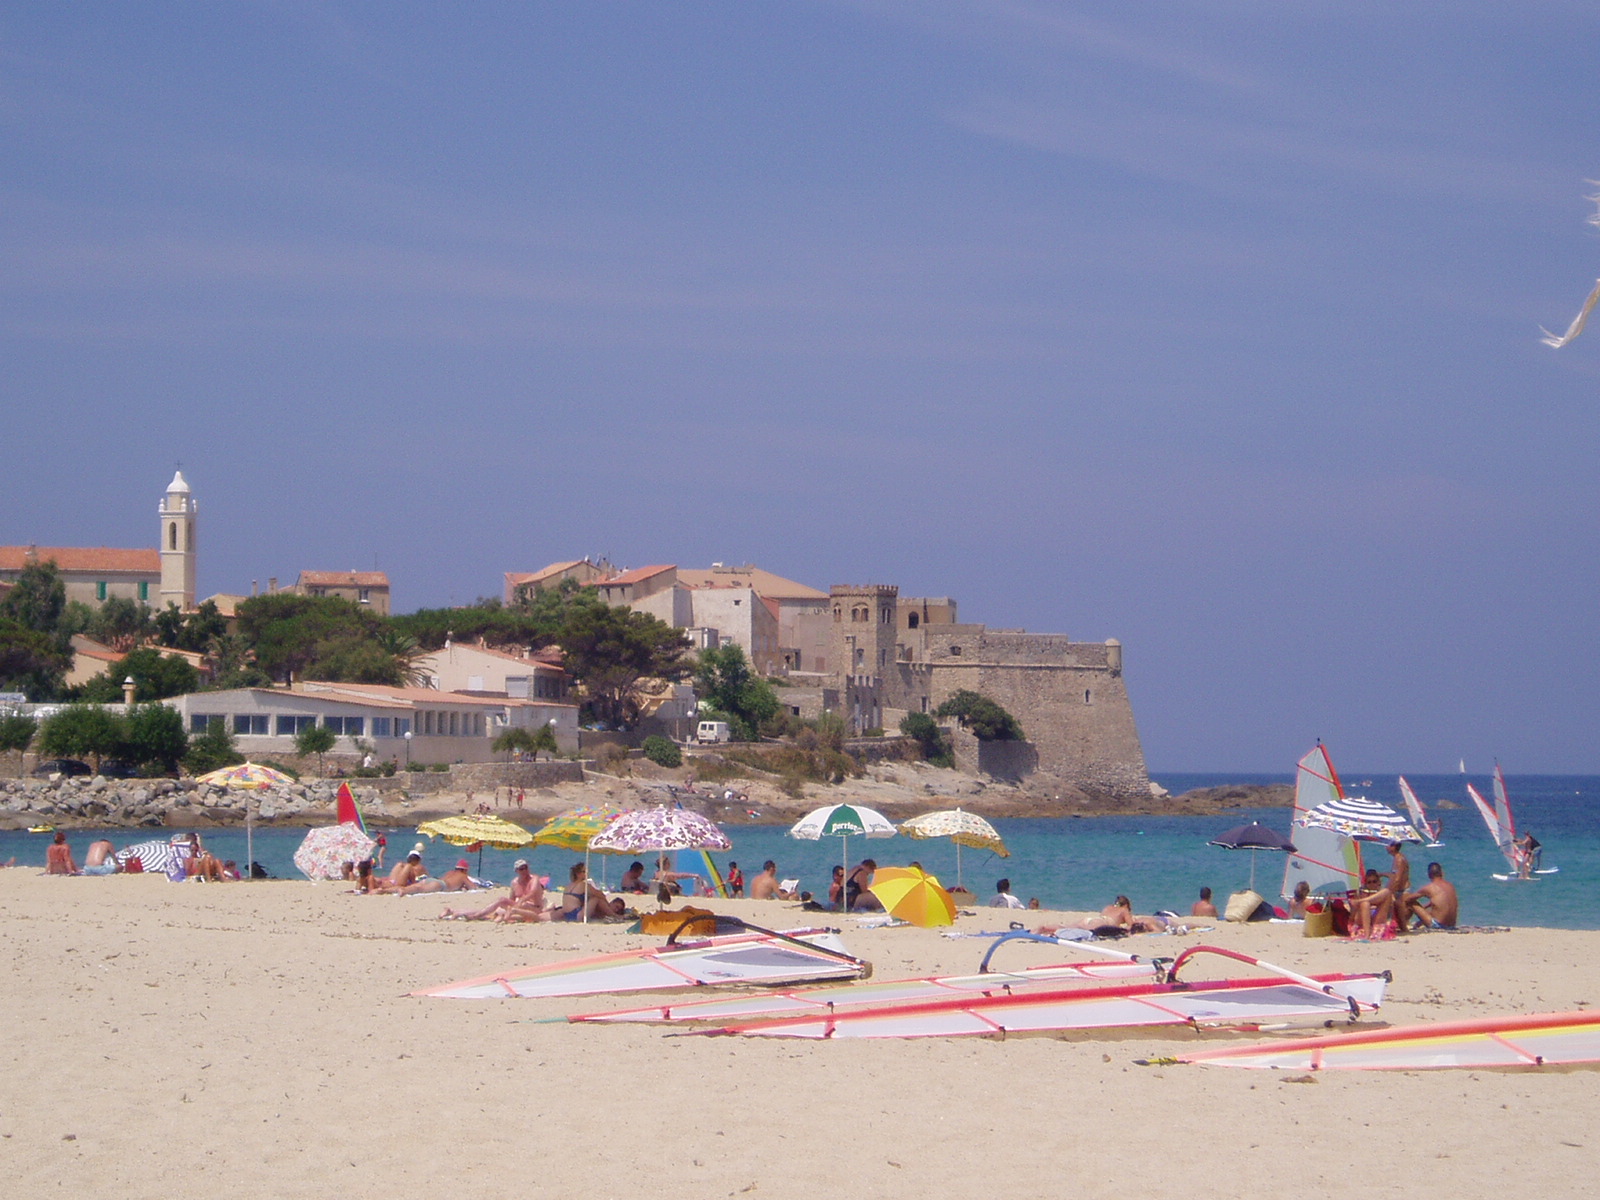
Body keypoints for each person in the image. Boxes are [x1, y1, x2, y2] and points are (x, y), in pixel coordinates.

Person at [443, 859, 547, 920]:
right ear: (516, 871)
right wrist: (512, 904)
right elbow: (511, 899)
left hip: (534, 907)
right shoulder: (515, 882)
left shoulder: (534, 879)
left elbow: (532, 892)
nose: (524, 871)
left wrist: (521, 901)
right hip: (518, 907)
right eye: (521, 869)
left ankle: (461, 914)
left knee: (495, 913)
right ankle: (461, 913)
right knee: (500, 902)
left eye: (526, 868)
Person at [1403, 862, 1459, 929]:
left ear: (1429, 875)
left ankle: (1403, 924)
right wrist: (1424, 908)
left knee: (1410, 902)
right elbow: (1441, 903)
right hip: (1452, 926)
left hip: (1438, 925)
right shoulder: (1450, 886)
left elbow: (1407, 899)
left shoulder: (1429, 887)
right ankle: (1413, 923)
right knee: (1435, 910)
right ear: (1442, 873)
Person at [394, 858, 476, 896]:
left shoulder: (450, 872)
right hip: (441, 885)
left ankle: (386, 890)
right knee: (420, 889)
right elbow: (473, 887)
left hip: (432, 879)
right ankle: (404, 892)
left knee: (416, 886)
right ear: (465, 870)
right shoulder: (463, 876)